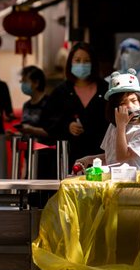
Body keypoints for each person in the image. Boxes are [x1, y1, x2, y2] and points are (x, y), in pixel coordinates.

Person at [39, 41, 108, 173]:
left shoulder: (105, 89)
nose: (82, 64)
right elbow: (47, 120)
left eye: (86, 61)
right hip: (68, 156)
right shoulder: (61, 91)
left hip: (100, 156)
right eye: (77, 60)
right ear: (70, 62)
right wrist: (67, 126)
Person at [74, 69, 140, 171]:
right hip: (113, 181)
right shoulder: (114, 125)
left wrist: (121, 127)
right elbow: (111, 156)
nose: (130, 106)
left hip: (133, 183)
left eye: (133, 100)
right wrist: (89, 159)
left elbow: (122, 157)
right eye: (122, 103)